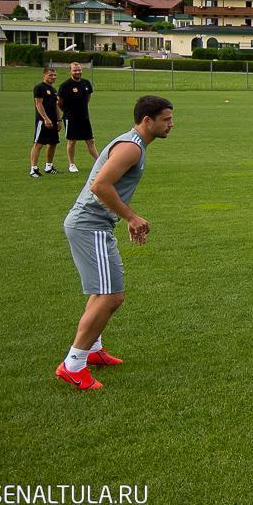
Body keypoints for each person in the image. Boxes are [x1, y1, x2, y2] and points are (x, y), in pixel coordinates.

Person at [55, 95, 174, 391]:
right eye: (166, 119)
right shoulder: (131, 147)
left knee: (102, 292)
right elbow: (100, 186)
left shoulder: (134, 144)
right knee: (111, 296)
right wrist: (131, 217)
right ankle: (73, 365)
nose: (171, 124)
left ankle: (93, 349)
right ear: (147, 121)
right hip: (90, 225)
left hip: (95, 225)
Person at [58, 62, 98, 172]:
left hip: (84, 117)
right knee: (72, 141)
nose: (77, 72)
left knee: (90, 140)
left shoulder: (86, 83)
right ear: (70, 71)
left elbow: (87, 98)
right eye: (75, 70)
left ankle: (98, 161)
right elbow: (60, 103)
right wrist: (67, 111)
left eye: (79, 70)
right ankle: (71, 164)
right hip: (71, 118)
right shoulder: (65, 85)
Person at [30, 66, 61, 178]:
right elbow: (38, 104)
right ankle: (33, 169)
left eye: (54, 75)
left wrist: (59, 120)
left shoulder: (53, 90)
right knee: (38, 144)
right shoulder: (39, 87)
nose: (53, 77)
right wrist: (45, 119)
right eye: (50, 75)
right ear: (44, 75)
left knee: (53, 143)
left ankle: (49, 166)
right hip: (43, 121)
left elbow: (56, 106)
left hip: (53, 121)